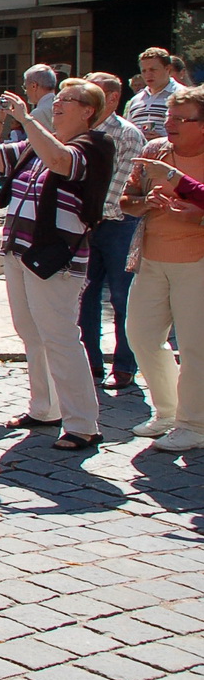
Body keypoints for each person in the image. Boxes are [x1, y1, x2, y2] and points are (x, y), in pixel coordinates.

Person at [0, 79, 113, 451]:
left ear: (88, 110)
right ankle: (45, 408)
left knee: (59, 336)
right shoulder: (35, 144)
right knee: (30, 331)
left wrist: (25, 118)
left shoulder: (94, 144)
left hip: (57, 257)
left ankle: (83, 424)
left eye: (67, 100)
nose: (57, 104)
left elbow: (59, 161)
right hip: (20, 250)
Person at [121, 88, 204, 450]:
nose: (168, 125)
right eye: (169, 117)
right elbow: (125, 202)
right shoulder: (154, 152)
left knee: (196, 346)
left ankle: (194, 424)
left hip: (197, 263)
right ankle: (169, 412)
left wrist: (198, 215)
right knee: (140, 335)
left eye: (180, 119)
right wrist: (144, 203)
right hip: (152, 261)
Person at [80, 72, 145, 389]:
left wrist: (89, 213)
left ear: (114, 98)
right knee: (84, 296)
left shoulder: (127, 134)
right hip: (86, 225)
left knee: (122, 298)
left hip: (118, 224)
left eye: (95, 94)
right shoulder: (80, 131)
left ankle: (124, 366)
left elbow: (120, 185)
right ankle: (91, 365)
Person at [125, 47, 179, 137]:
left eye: (152, 70)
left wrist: (161, 140)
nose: (148, 75)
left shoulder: (182, 95)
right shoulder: (135, 100)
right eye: (144, 71)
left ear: (168, 69)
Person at [23, 63, 58, 130]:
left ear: (34, 86)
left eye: (25, 87)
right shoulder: (64, 106)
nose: (25, 92)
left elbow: (35, 140)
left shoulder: (38, 113)